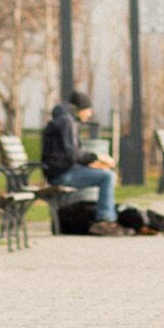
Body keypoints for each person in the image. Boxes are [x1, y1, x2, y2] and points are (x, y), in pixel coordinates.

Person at [41, 89, 120, 229]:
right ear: (81, 109)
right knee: (107, 176)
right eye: (89, 110)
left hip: (60, 170)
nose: (90, 114)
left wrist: (93, 163)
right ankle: (105, 220)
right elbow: (73, 154)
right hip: (61, 174)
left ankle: (105, 218)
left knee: (105, 173)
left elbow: (70, 154)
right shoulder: (67, 122)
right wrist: (98, 157)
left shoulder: (64, 119)